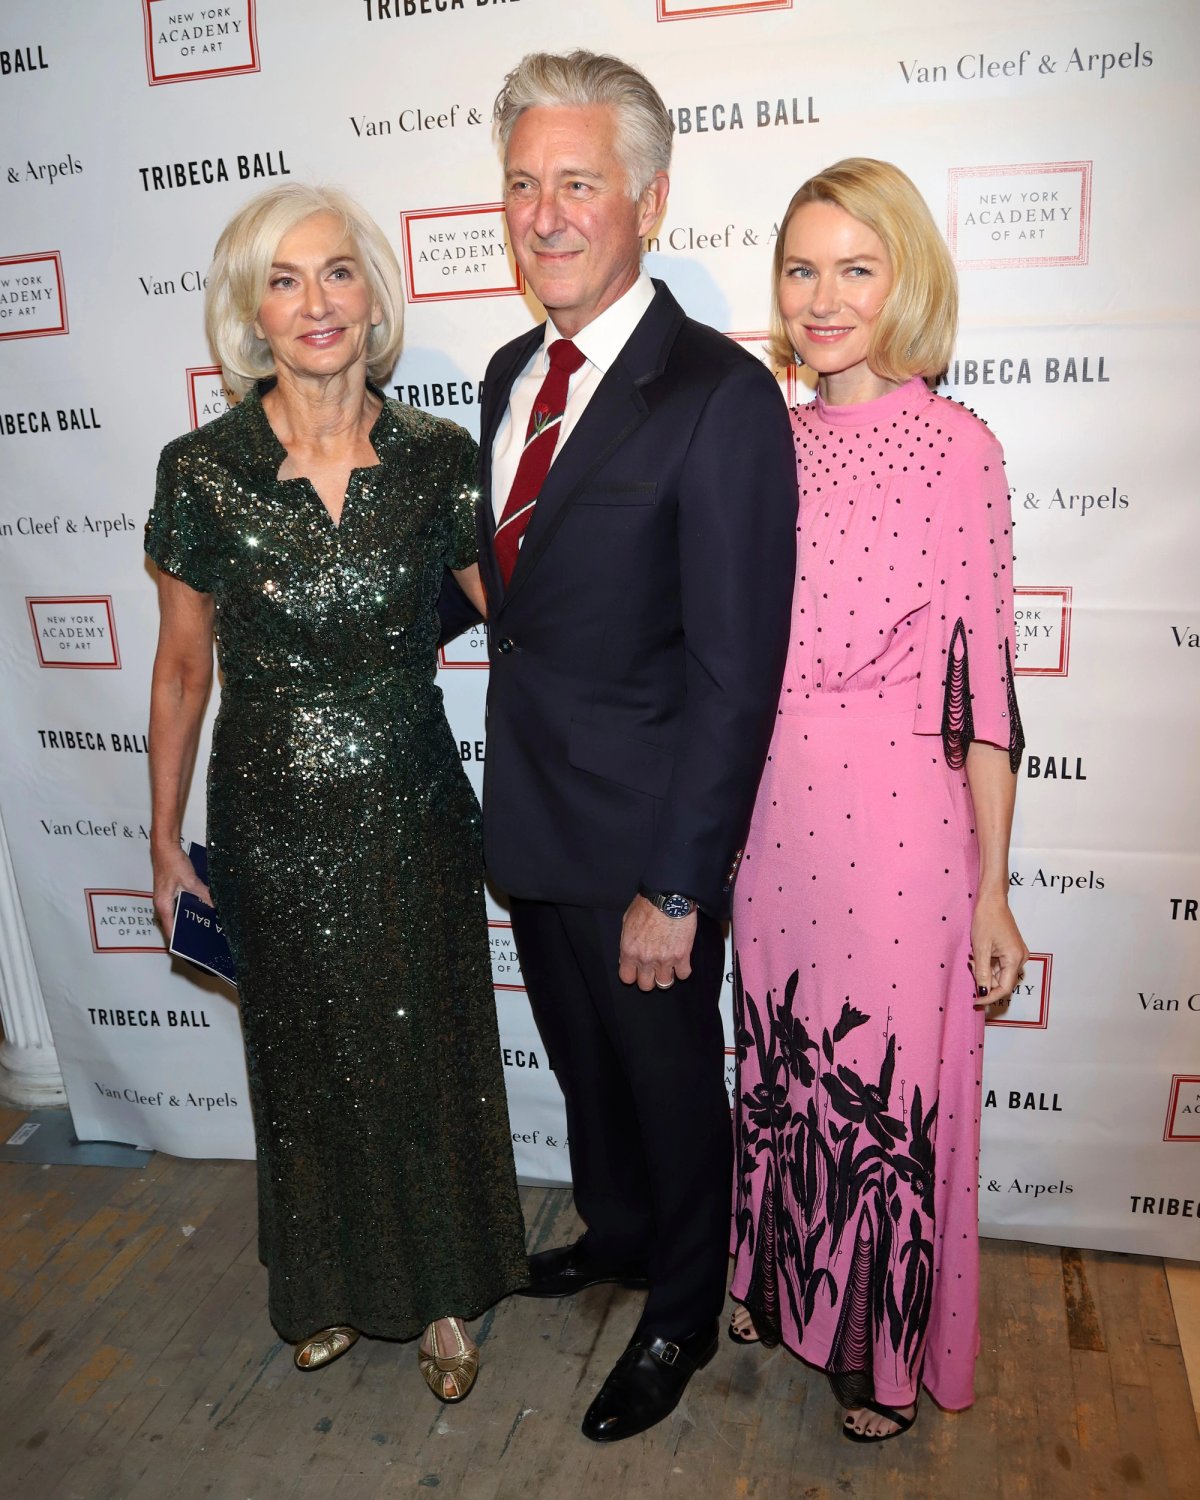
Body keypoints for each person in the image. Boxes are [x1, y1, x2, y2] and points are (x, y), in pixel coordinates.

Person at [455, 50, 796, 1442]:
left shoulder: (718, 393)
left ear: (648, 201)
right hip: (533, 816)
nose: (544, 215)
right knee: (587, 1073)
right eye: (522, 184)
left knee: (666, 1086)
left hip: (646, 837)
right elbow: (512, 589)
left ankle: (682, 1313)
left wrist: (677, 880)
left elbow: (736, 671)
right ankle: (620, 1234)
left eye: (577, 184)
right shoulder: (507, 373)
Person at [146, 183, 528, 1401]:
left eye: (337, 272)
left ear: (373, 298)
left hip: (413, 809)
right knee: (302, 1059)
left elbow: (522, 629)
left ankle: (443, 1293)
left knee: (425, 1052)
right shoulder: (202, 472)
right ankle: (317, 1288)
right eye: (285, 279)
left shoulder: (437, 460)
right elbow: (183, 669)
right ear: (251, 314)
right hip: (268, 818)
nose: (316, 302)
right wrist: (164, 842)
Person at [728, 158, 1028, 1442]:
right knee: (780, 1064)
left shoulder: (958, 449)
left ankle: (875, 1351)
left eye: (856, 268)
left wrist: (994, 887)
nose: (824, 297)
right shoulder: (765, 440)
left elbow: (987, 689)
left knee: (880, 1085)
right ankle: (774, 1274)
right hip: (770, 819)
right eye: (803, 269)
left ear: (906, 281)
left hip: (900, 828)